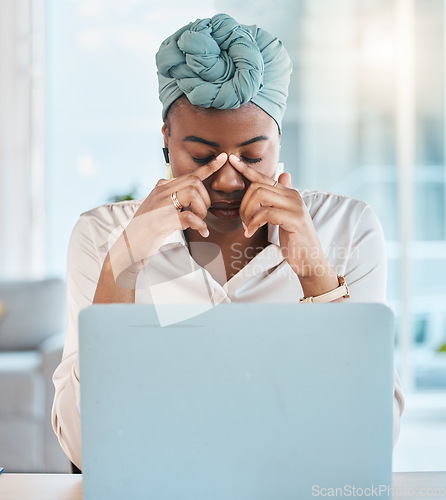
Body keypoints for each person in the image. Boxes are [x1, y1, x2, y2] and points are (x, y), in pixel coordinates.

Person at [52, 13, 404, 470]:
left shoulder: (347, 228)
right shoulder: (101, 236)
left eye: (253, 156)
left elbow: (371, 438)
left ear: (278, 140)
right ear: (167, 139)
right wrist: (125, 261)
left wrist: (316, 275)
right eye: (200, 156)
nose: (226, 180)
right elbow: (86, 449)